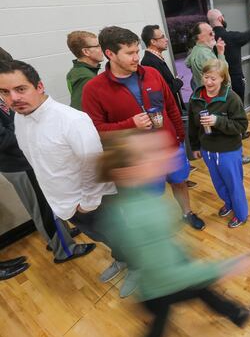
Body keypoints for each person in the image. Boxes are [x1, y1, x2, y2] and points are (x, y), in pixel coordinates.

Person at [97, 129, 250, 337]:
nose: (163, 154)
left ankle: (237, 314)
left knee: (183, 305)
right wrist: (222, 269)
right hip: (160, 287)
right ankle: (238, 314)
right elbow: (168, 275)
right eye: (149, 152)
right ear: (126, 172)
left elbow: (157, 248)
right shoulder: (140, 215)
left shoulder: (140, 196)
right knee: (198, 291)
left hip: (156, 285)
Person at [0, 60, 136, 297]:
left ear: (39, 86)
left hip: (92, 201)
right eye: (4, 92)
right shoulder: (20, 119)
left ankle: (138, 267)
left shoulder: (72, 120)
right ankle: (122, 258)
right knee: (102, 237)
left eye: (20, 89)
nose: (13, 98)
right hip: (65, 203)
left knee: (119, 234)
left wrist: (87, 204)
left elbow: (95, 167)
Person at [82, 26, 206, 231]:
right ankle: (159, 228)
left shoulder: (152, 74)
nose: (136, 57)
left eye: (137, 51)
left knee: (180, 182)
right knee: (152, 196)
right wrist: (131, 124)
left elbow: (171, 107)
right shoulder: (94, 89)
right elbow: (95, 131)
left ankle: (187, 213)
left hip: (170, 147)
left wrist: (179, 138)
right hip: (138, 159)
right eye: (129, 53)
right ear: (109, 54)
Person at [1, 96, 95, 264]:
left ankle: (62, 235)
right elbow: (5, 139)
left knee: (49, 201)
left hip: (26, 159)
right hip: (18, 164)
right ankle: (64, 250)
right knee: (43, 208)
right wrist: (30, 130)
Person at [188, 59, 249, 228]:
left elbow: (242, 126)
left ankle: (241, 214)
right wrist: (194, 147)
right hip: (207, 149)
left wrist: (218, 121)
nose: (208, 82)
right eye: (206, 77)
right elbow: (192, 126)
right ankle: (228, 204)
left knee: (234, 184)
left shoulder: (231, 98)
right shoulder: (196, 97)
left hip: (228, 150)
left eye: (213, 79)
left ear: (223, 78)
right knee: (218, 182)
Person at [209, 7, 250, 108]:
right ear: (220, 19)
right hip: (235, 79)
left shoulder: (209, 41)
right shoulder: (231, 37)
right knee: (238, 108)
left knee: (224, 108)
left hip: (218, 81)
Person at [140, 25, 184, 112]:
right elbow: (163, 90)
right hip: (167, 112)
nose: (166, 39)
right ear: (153, 42)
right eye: (163, 37)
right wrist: (178, 81)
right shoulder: (149, 61)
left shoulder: (155, 58)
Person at [66, 31, 103, 111]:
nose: (101, 49)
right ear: (86, 52)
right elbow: (81, 109)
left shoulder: (75, 71)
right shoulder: (86, 77)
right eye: (97, 46)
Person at [185, 22, 226, 89]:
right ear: (199, 37)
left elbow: (187, 63)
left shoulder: (196, 49)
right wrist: (221, 53)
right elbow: (222, 74)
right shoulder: (205, 55)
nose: (213, 34)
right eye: (210, 33)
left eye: (213, 32)